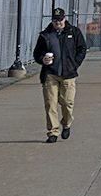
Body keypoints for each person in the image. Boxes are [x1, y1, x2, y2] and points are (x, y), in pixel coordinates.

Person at [34, 8, 87, 143]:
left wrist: (75, 64)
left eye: (60, 20)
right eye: (55, 20)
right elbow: (37, 53)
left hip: (68, 74)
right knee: (50, 104)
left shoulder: (73, 32)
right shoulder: (46, 35)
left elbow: (82, 48)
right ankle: (53, 132)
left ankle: (67, 124)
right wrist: (42, 59)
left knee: (67, 103)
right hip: (50, 74)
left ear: (65, 19)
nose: (58, 23)